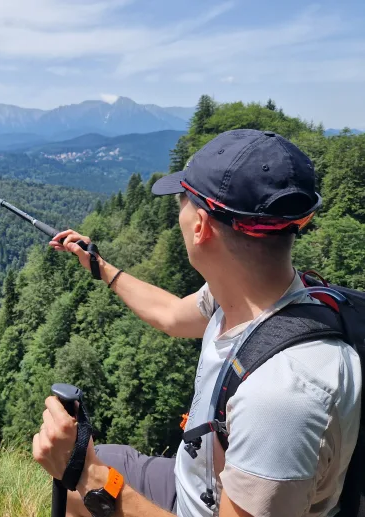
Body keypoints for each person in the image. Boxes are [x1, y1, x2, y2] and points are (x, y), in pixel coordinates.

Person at [32, 129, 362, 517]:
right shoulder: (249, 294)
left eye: (182, 201)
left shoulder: (281, 397)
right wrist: (99, 267)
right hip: (192, 484)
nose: (179, 214)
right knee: (89, 475)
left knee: (79, 484)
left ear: (200, 226)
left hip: (203, 506)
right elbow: (171, 315)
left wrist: (86, 475)